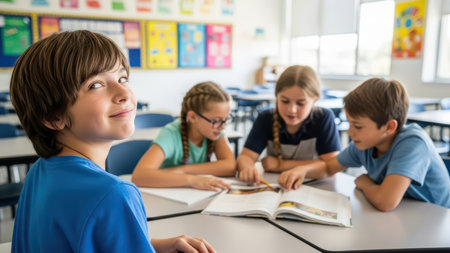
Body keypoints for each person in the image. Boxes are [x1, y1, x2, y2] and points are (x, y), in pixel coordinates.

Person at [10, 30, 215, 252]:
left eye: (122, 79)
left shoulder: (40, 172)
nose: (123, 92)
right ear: (53, 117)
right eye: (95, 85)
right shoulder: (113, 193)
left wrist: (153, 245)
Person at [278, 78, 450, 211]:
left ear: (389, 127)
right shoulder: (366, 142)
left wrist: (364, 183)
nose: (350, 132)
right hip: (406, 212)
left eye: (358, 126)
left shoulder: (413, 143)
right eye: (350, 123)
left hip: (437, 220)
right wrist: (303, 170)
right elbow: (329, 167)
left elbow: (385, 202)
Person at [237, 65, 341, 184]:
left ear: (314, 100)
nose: (292, 110)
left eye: (301, 103)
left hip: (314, 185)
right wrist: (247, 168)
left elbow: (332, 165)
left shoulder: (323, 118)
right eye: (285, 101)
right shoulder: (266, 118)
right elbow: (246, 156)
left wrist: (281, 165)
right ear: (277, 96)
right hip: (275, 184)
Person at [132, 81, 236, 191]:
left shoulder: (215, 131)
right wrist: (192, 180)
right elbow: (140, 176)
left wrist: (184, 170)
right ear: (192, 117)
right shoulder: (171, 134)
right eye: (216, 120)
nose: (223, 127)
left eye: (226, 119)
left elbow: (230, 166)